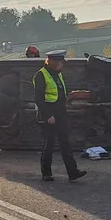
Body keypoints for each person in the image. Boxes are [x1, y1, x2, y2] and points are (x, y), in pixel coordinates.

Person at [33, 51, 86, 182]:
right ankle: (46, 173)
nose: (62, 65)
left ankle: (72, 172)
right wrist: (48, 116)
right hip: (48, 114)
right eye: (61, 62)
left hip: (60, 113)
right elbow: (39, 99)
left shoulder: (57, 74)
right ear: (53, 63)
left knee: (65, 143)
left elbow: (59, 92)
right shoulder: (40, 75)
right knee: (49, 143)